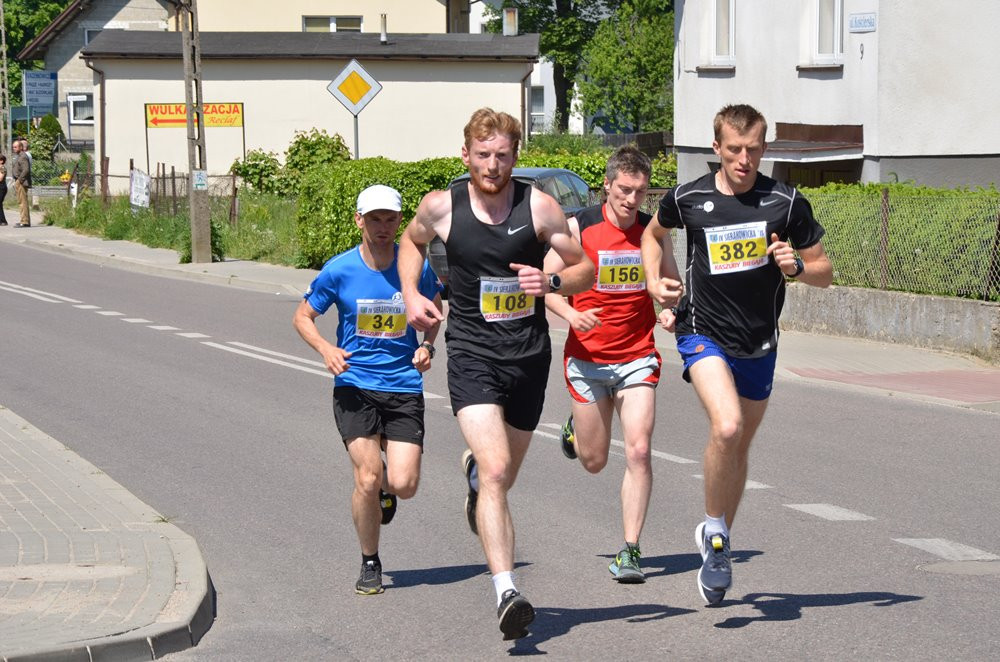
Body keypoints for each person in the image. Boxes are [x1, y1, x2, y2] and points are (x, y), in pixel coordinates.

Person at [398, 108, 594, 640]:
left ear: (515, 156)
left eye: (502, 155)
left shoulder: (540, 207)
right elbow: (411, 244)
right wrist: (413, 293)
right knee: (497, 468)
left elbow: (584, 268)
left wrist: (550, 282)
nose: (492, 165)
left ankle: (475, 478)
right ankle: (507, 590)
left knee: (498, 477)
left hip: (529, 357)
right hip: (471, 354)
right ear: (466, 155)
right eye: (482, 155)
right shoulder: (442, 207)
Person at [641, 103, 832, 605]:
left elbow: (825, 271)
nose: (744, 159)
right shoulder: (689, 197)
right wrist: (654, 281)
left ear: (764, 149)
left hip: (760, 341)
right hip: (702, 330)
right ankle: (715, 530)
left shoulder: (786, 203)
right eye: (734, 150)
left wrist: (795, 269)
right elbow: (652, 234)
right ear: (717, 149)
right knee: (725, 426)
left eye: (753, 150)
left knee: (739, 444)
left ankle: (716, 541)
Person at [293, 184, 443, 596]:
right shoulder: (339, 270)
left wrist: (428, 345)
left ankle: (386, 493)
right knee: (367, 476)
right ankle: (370, 561)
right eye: (374, 219)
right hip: (355, 385)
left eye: (390, 219)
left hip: (403, 385)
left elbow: (435, 310)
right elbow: (303, 316)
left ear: (400, 221)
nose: (382, 227)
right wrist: (326, 348)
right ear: (359, 220)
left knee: (405, 483)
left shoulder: (413, 267)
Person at [544, 145, 680, 584]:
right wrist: (569, 313)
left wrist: (668, 306)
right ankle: (575, 431)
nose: (632, 199)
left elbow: (670, 283)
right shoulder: (577, 227)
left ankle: (631, 551)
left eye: (640, 191)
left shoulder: (653, 233)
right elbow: (547, 285)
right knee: (595, 460)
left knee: (639, 450)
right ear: (607, 184)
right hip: (585, 360)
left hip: (637, 355)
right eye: (624, 189)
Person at [11, 140, 32, 228]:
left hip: (21, 182)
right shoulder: (19, 156)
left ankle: (24, 221)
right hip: (19, 181)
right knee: (21, 201)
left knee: (22, 202)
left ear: (20, 147)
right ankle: (24, 220)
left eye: (15, 147)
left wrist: (19, 180)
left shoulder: (23, 156)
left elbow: (26, 169)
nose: (14, 148)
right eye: (13, 147)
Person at [0, 154, 8, 225]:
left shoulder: (2, 168)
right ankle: (2, 220)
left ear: (1, 161)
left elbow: (0, 178)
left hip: (2, 187)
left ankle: (3, 221)